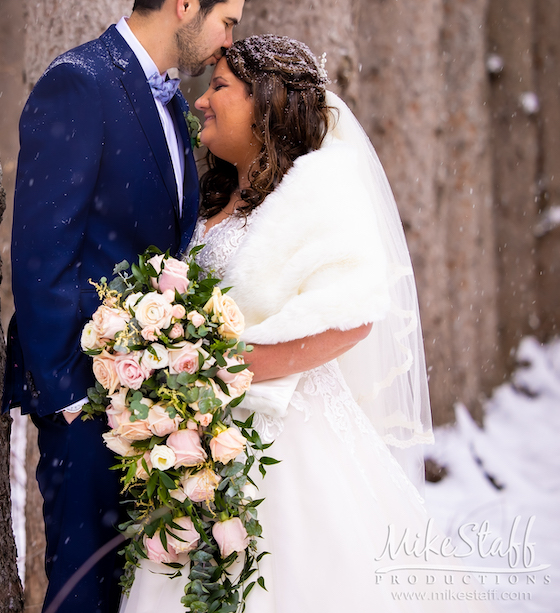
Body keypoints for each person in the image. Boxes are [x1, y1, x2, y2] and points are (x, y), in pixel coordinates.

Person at [121, 35, 492, 612]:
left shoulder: (316, 194)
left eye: (219, 87)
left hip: (291, 438)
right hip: (199, 444)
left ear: (265, 102)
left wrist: (225, 369)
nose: (200, 102)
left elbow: (352, 320)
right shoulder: (206, 198)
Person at [4, 0, 255, 613]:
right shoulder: (80, 84)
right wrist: (66, 397)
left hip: (150, 411)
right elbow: (40, 251)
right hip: (86, 406)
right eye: (227, 21)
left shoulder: (170, 102)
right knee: (85, 593)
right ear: (185, 2)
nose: (229, 41)